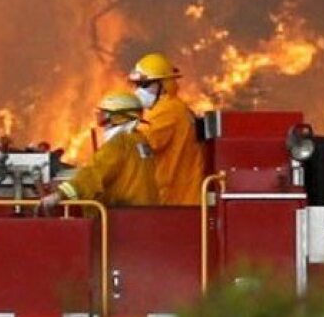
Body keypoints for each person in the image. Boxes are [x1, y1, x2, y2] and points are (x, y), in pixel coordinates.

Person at [40, 91, 158, 209]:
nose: (100, 117)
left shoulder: (118, 143)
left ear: (118, 117)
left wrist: (60, 195)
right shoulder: (139, 139)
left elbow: (93, 174)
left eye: (105, 114)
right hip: (145, 213)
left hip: (124, 216)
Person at [128, 52, 205, 205]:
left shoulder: (167, 111)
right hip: (178, 198)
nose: (138, 90)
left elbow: (140, 145)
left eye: (144, 85)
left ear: (163, 85)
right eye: (136, 85)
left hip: (173, 200)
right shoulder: (173, 108)